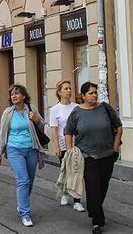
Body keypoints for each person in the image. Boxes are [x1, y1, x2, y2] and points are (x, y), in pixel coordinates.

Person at [65, 82, 123, 234]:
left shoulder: (105, 108)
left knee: (103, 185)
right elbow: (68, 132)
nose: (94, 95)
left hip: (107, 154)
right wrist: (70, 151)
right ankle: (97, 221)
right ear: (83, 96)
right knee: (92, 187)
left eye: (95, 92)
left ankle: (94, 209)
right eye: (91, 93)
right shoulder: (76, 112)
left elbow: (119, 127)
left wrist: (115, 148)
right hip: (87, 156)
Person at [0, 84, 46, 227]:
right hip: (14, 149)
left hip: (31, 149)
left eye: (17, 93)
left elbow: (42, 126)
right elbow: (2, 133)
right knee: (23, 180)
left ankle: (22, 203)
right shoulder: (8, 112)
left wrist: (36, 119)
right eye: (12, 94)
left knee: (29, 181)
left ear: (23, 96)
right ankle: (25, 213)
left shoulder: (31, 109)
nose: (14, 96)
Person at [50, 80, 86, 212]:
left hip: (78, 145)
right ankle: (65, 193)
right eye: (66, 88)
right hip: (64, 145)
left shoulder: (77, 107)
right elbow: (54, 129)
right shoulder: (55, 110)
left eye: (70, 88)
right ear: (59, 92)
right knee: (66, 170)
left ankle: (77, 201)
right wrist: (57, 146)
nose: (69, 91)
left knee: (77, 172)